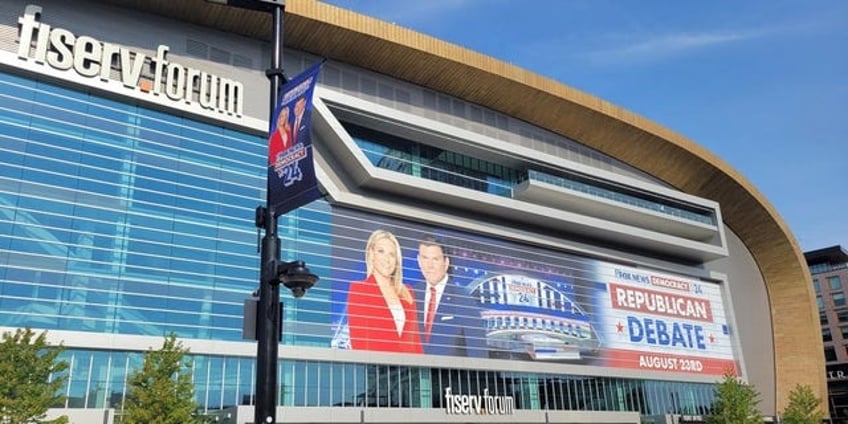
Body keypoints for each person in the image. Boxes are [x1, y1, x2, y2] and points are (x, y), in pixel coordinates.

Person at [346, 230, 423, 353]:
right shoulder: (359, 290)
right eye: (381, 251)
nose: (387, 259)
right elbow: (359, 342)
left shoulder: (407, 292)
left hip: (409, 369)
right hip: (378, 369)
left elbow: (416, 343)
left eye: (392, 254)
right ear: (371, 254)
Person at [416, 236, 488, 357]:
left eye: (435, 259)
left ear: (446, 263)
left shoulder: (464, 300)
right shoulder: (413, 294)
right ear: (418, 260)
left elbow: (478, 353)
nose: (429, 266)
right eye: (425, 258)